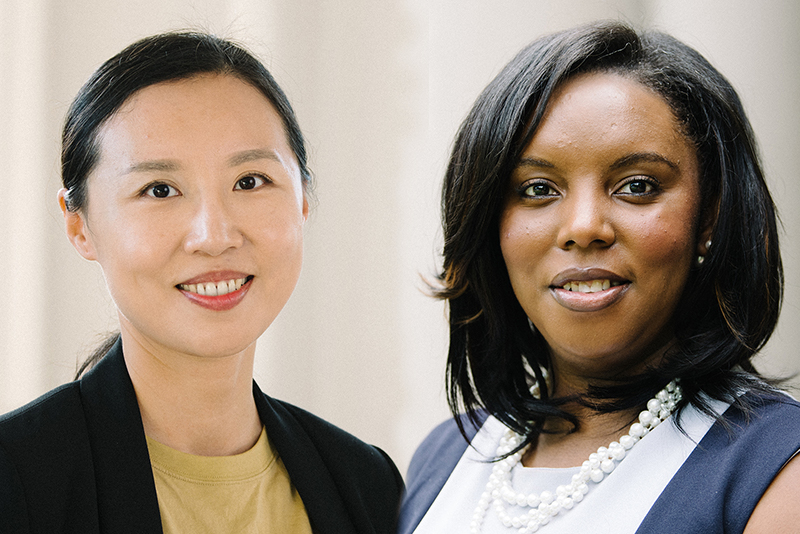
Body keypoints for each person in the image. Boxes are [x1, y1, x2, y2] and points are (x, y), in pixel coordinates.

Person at [399, 21, 800, 534]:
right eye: (539, 189)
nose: (584, 227)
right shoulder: (444, 455)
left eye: (636, 185)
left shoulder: (773, 467)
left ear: (710, 219)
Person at [0, 31, 402, 534]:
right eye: (160, 189)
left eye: (250, 181)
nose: (214, 237)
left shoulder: (367, 485)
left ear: (302, 199)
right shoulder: (16, 480)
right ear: (79, 225)